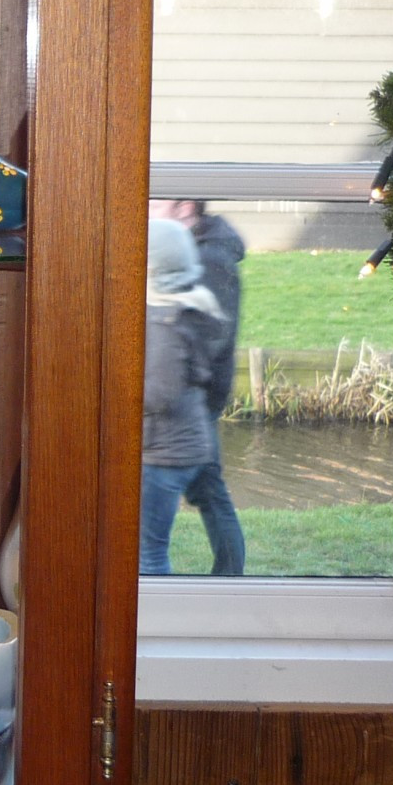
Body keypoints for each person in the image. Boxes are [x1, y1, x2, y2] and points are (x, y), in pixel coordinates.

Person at [140, 216, 246, 575]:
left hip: (167, 451)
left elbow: (159, 393)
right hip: (185, 441)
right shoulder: (186, 306)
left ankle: (157, 618)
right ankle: (229, 580)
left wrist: (115, 392)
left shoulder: (166, 321)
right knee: (211, 502)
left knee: (147, 551)